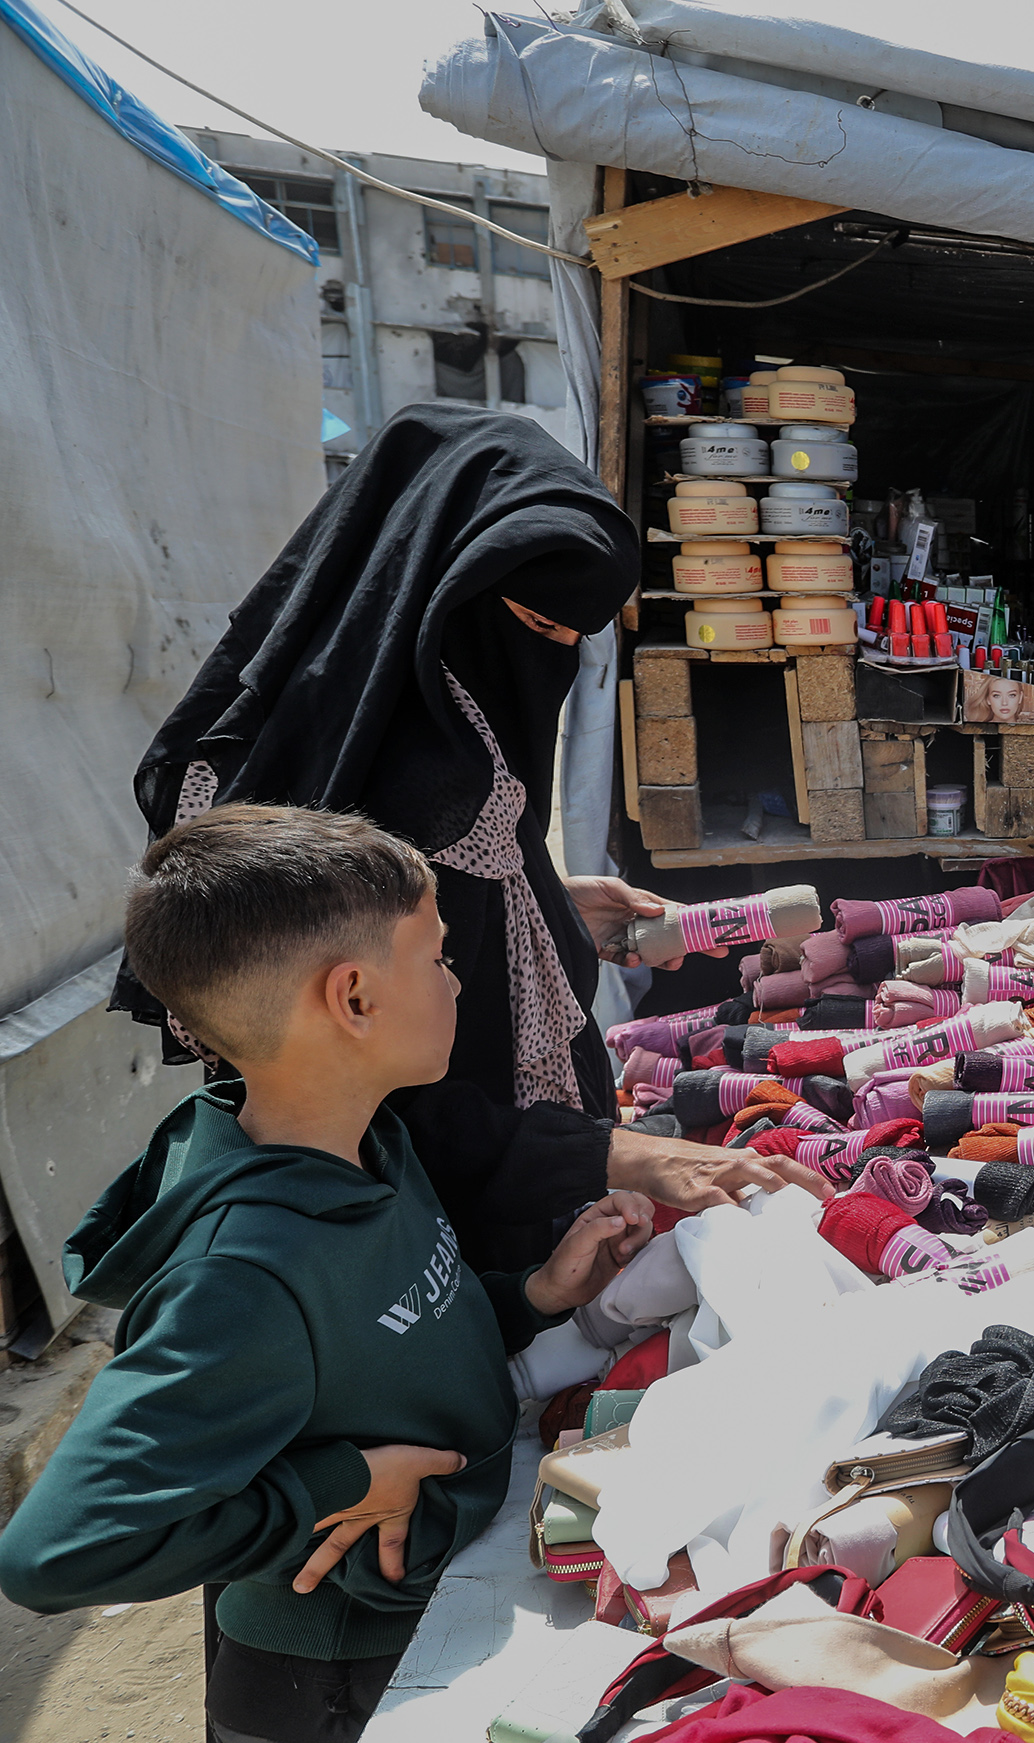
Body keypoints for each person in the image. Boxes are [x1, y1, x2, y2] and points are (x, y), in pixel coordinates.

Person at [0, 805, 653, 1743]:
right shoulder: (245, 1268)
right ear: (353, 999)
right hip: (329, 1688)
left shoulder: (360, 1137)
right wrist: (334, 1479)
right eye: (440, 955)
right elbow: (54, 1549)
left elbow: (394, 1320)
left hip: (397, 1637)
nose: (459, 979)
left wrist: (535, 1294)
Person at [122, 405, 827, 1267]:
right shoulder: (410, 770)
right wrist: (624, 1154)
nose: (551, 659)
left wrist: (545, 905)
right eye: (537, 628)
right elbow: (370, 1099)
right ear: (445, 584)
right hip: (421, 1231)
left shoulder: (443, 716)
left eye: (575, 639)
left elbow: (446, 902)